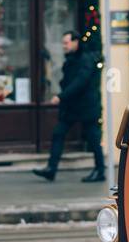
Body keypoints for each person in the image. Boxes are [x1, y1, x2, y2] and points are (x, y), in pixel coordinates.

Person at [33, 31, 105, 183]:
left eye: (66, 43)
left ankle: (100, 171)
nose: (64, 46)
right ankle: (51, 169)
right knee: (58, 133)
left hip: (87, 107)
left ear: (75, 42)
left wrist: (61, 96)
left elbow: (80, 82)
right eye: (63, 43)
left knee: (93, 139)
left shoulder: (86, 59)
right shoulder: (70, 59)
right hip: (72, 107)